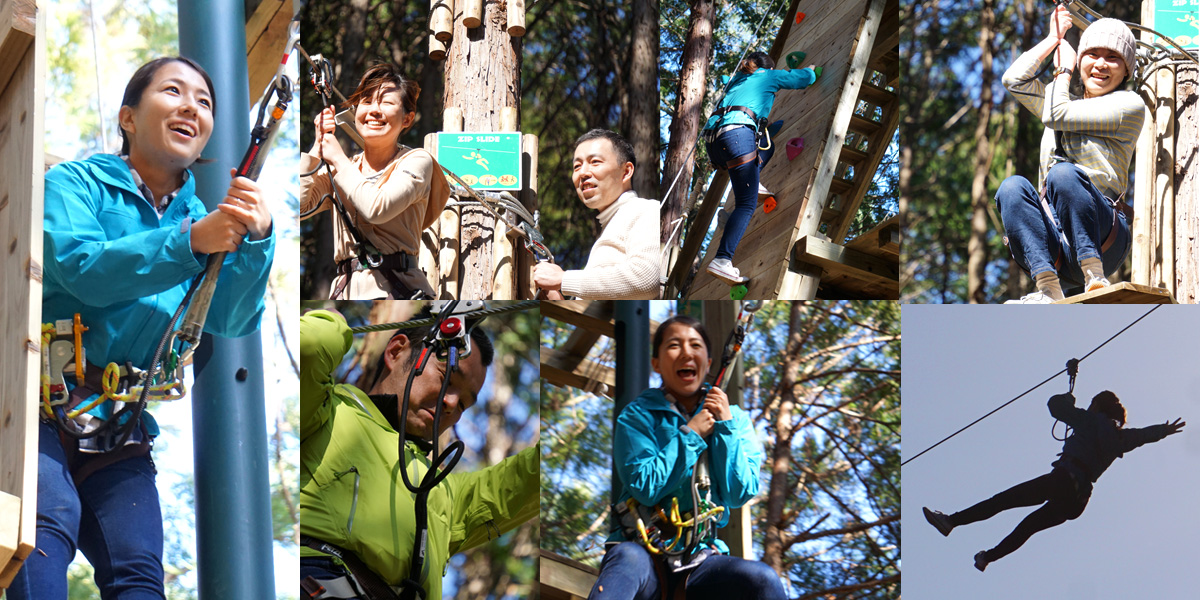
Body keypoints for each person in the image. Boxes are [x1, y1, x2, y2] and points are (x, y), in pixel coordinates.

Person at [9, 56, 275, 599]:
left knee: (137, 570)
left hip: (119, 423)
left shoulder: (201, 219)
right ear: (128, 118)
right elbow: (84, 268)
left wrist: (252, 240)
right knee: (44, 527)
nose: (190, 107)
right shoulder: (76, 184)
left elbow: (229, 316)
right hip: (39, 400)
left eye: (203, 102)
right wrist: (191, 241)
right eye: (173, 91)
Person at [299, 307, 538, 600]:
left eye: (464, 403)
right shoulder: (327, 411)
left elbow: (531, 475)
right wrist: (331, 321)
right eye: (447, 378)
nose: (451, 403)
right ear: (396, 351)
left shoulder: (442, 490)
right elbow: (309, 347)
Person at [586, 316, 786, 600]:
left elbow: (740, 492)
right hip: (643, 551)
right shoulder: (637, 416)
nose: (686, 353)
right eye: (674, 345)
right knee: (626, 561)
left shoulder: (735, 420)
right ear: (656, 363)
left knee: (762, 580)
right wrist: (691, 435)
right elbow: (645, 486)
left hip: (701, 558)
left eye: (695, 345)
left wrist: (725, 426)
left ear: (708, 360)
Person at [923, 391, 1185, 572]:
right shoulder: (1120, 438)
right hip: (1077, 501)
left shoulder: (1089, 419)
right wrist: (1164, 430)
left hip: (1063, 480)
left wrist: (1069, 397)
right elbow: (1144, 436)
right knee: (1027, 528)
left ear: (1097, 406)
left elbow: (1055, 407)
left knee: (1002, 501)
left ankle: (951, 521)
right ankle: (987, 558)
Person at [995, 11, 1144, 303]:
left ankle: (1095, 276)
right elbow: (1014, 80)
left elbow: (1056, 114)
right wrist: (1053, 39)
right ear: (1080, 60)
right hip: (1056, 244)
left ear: (1126, 70)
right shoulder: (1063, 105)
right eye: (1092, 54)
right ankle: (1048, 288)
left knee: (1062, 174)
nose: (1100, 64)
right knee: (1011, 188)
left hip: (1104, 238)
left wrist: (1063, 73)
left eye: (1112, 58)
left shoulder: (1128, 105)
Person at [301, 63, 450, 300]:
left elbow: (377, 208)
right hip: (345, 292)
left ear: (407, 119)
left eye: (387, 103)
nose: (374, 110)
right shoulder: (344, 168)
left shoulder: (418, 161)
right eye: (367, 101)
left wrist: (338, 159)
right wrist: (315, 149)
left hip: (398, 290)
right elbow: (299, 208)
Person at [700, 51, 820, 285]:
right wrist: (812, 70)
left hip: (714, 142)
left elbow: (728, 84)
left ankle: (755, 177)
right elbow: (803, 79)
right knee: (746, 202)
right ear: (767, 67)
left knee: (767, 146)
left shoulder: (738, 79)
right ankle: (722, 259)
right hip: (736, 135)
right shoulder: (770, 76)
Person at [531, 129, 660, 300]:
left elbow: (647, 278)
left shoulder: (646, 209)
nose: (583, 173)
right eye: (577, 166)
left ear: (626, 171)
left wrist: (563, 279)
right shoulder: (610, 225)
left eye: (595, 162)